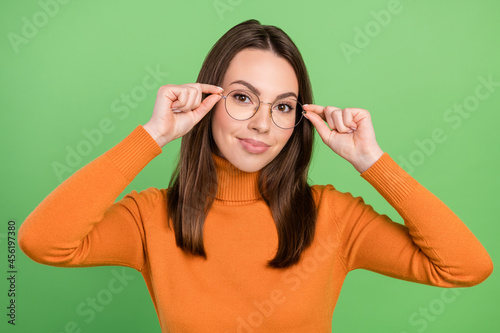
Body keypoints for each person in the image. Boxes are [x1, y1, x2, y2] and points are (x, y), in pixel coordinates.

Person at [19, 19, 493, 332]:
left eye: (283, 106)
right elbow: (42, 242)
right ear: (207, 100)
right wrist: (152, 135)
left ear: (298, 119)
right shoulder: (152, 218)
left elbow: (466, 267)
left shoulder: (333, 217)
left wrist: (373, 162)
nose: (263, 124)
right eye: (243, 98)